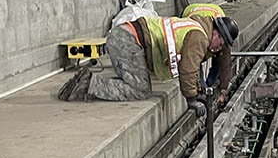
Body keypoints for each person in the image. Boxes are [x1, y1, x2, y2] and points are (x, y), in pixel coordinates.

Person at [59, 13, 239, 104]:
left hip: (128, 40)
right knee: (141, 90)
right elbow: (188, 68)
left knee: (135, 83)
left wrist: (199, 91)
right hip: (129, 42)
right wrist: (192, 98)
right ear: (215, 32)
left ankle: (88, 82)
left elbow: (192, 68)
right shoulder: (200, 36)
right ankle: (88, 84)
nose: (219, 48)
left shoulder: (198, 26)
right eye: (221, 42)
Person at [182, 2, 237, 94]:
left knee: (220, 56)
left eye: (221, 45)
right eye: (220, 44)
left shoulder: (223, 34)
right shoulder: (197, 36)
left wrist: (223, 90)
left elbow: (225, 64)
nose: (218, 48)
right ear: (216, 34)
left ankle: (210, 84)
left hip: (210, 11)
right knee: (194, 59)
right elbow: (192, 65)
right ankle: (203, 90)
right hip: (191, 14)